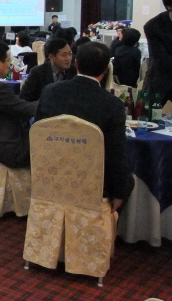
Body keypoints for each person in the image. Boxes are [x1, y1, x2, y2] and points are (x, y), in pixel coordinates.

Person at [35, 41, 134, 211]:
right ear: (105, 70)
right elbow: (116, 155)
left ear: (76, 64)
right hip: (91, 183)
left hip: (50, 173)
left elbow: (38, 133)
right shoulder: (112, 104)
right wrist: (119, 192)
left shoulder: (50, 92)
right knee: (128, 182)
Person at [144, 0, 172, 106]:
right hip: (161, 81)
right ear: (169, 6)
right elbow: (161, 59)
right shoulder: (154, 26)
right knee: (151, 114)